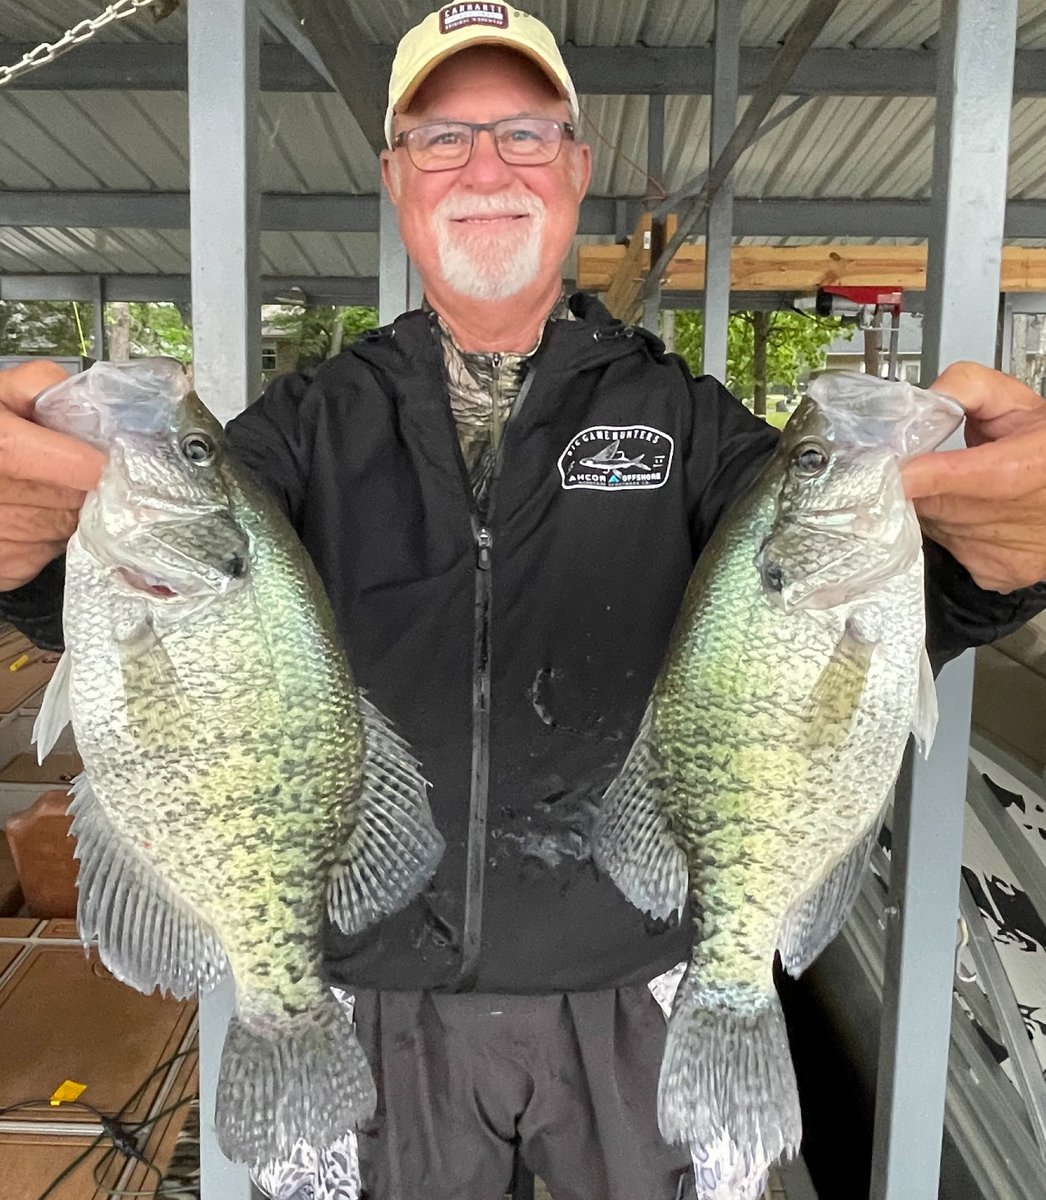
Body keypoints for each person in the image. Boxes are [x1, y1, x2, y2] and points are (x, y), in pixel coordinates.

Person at [1, 5, 1045, 1197]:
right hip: (368, 995)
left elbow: (830, 627)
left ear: (575, 169)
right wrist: (32, 558)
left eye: (523, 135)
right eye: (442, 139)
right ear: (395, 178)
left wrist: (993, 566)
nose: (484, 169)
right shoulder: (298, 430)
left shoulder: (690, 424)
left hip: (633, 986)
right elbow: (169, 636)